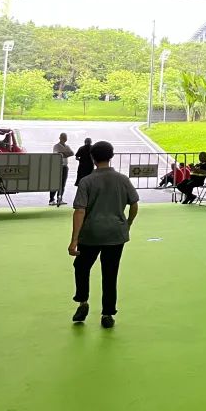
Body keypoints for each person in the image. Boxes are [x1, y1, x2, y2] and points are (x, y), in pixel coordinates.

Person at [68, 140, 139, 329]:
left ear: (92, 158)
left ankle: (82, 302)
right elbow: (134, 204)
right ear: (111, 156)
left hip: (91, 234)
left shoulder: (87, 181)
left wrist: (74, 240)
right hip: (116, 234)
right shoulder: (122, 179)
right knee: (110, 273)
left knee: (81, 267)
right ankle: (107, 314)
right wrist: (128, 223)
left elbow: (80, 210)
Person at [51, 132, 74, 206]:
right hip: (58, 166)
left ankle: (59, 199)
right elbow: (58, 155)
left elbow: (72, 153)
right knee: (55, 183)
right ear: (60, 138)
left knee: (63, 183)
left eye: (65, 137)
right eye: (63, 137)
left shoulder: (67, 146)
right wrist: (65, 154)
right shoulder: (56, 146)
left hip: (65, 166)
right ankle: (51, 200)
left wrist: (63, 154)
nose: (65, 139)